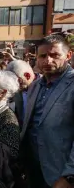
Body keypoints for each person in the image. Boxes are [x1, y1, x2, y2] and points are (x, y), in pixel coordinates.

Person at [21, 35, 74, 188]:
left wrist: (70, 176)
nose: (48, 60)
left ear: (68, 55)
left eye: (54, 55)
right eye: (42, 56)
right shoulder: (35, 86)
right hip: (33, 167)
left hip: (60, 172)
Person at [6, 60, 35, 130]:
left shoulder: (44, 87)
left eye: (17, 81)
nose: (13, 85)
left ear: (27, 76)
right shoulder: (16, 90)